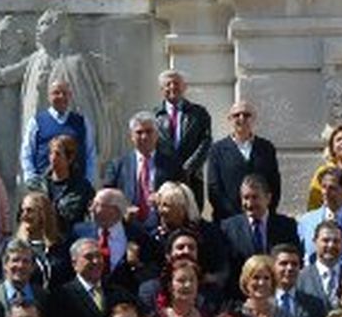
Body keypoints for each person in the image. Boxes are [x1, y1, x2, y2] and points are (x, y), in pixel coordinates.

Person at [219, 174, 299, 292]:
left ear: (268, 198)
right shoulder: (228, 228)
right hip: (241, 300)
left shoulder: (287, 226)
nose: (249, 203)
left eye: (255, 197)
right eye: (245, 198)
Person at [71, 188, 157, 294]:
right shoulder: (80, 232)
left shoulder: (139, 235)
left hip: (124, 298)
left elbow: (152, 269)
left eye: (98, 205)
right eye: (92, 204)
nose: (91, 209)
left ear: (115, 210)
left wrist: (136, 265)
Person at [205, 100, 280, 220]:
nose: (242, 118)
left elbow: (275, 184)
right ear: (229, 119)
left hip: (261, 220)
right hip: (228, 221)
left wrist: (264, 212)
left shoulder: (266, 148)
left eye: (246, 115)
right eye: (236, 115)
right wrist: (237, 218)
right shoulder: (217, 150)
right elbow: (214, 188)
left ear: (254, 119)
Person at [106, 111, 178, 231]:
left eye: (149, 131)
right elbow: (107, 197)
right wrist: (123, 211)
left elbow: (181, 197)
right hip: (127, 229)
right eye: (139, 132)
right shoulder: (118, 165)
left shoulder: (172, 165)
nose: (144, 137)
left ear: (157, 135)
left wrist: (164, 199)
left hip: (162, 228)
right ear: (131, 136)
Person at [20, 79, 97, 188]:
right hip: (44, 186)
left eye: (65, 93)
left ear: (70, 96)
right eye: (56, 93)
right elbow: (27, 152)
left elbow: (90, 154)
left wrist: (88, 181)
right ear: (49, 96)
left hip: (76, 187)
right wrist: (30, 178)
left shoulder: (82, 122)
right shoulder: (37, 121)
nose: (61, 96)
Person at [152, 69, 211, 203]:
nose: (172, 87)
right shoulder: (154, 116)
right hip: (164, 179)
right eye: (168, 84)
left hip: (192, 177)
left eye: (176, 83)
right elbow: (152, 147)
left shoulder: (199, 113)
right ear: (162, 89)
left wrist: (188, 168)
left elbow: (206, 142)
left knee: (192, 218)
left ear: (184, 87)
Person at [33, 133, 95, 233]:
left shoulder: (82, 187)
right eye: (51, 153)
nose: (53, 158)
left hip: (69, 239)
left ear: (69, 158)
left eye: (58, 154)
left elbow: (91, 216)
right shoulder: (39, 184)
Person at [12, 189, 72, 288]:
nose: (24, 216)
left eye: (29, 211)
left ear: (43, 214)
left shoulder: (61, 247)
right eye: (22, 211)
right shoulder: (15, 247)